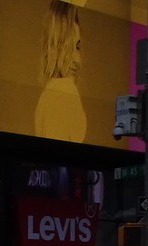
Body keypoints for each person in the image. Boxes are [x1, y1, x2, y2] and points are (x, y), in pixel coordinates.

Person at [34, 1, 86, 143]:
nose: (76, 59)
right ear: (54, 46)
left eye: (78, 46)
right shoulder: (62, 91)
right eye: (68, 47)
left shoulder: (50, 93)